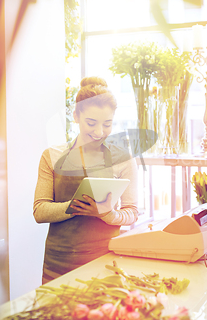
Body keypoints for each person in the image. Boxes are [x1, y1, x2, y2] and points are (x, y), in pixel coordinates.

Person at [34, 77, 138, 284]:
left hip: (106, 264)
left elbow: (132, 212)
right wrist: (74, 207)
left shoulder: (123, 159)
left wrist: (108, 214)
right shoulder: (52, 156)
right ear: (76, 116)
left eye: (107, 124)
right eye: (91, 123)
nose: (99, 132)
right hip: (58, 264)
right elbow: (39, 211)